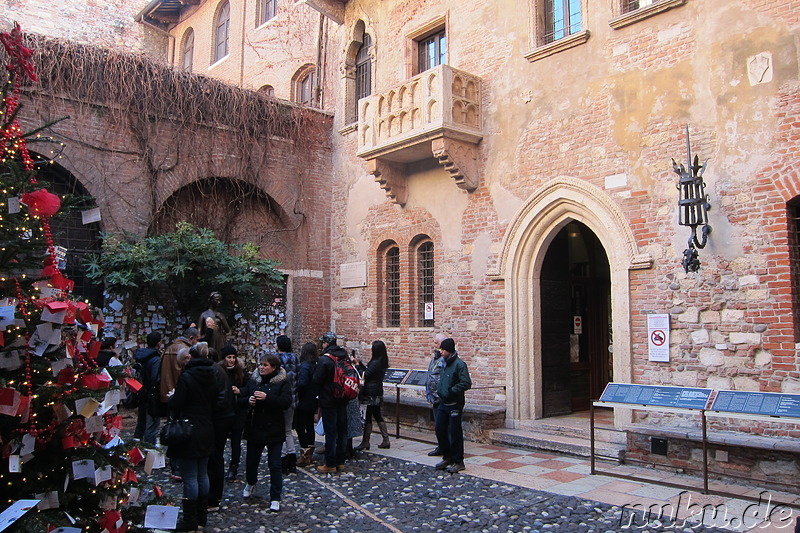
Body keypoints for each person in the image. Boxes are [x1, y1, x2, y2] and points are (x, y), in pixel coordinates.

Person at [167, 341, 218, 531]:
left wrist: (172, 397)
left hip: (190, 427)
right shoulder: (212, 374)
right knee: (202, 473)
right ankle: (201, 516)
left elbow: (178, 403)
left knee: (190, 476)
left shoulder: (187, 376)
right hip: (207, 425)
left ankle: (190, 518)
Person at [241, 352, 291, 513]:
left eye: (265, 365)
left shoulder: (282, 382)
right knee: (251, 462)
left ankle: (275, 497)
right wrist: (248, 400)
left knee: (275, 464)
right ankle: (251, 482)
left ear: (274, 367)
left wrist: (267, 398)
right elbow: (245, 394)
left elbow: (286, 402)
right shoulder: (254, 380)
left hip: (274, 428)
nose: (261, 367)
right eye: (260, 365)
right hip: (255, 427)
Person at [312, 332, 350, 474]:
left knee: (331, 432)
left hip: (328, 400)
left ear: (326, 343)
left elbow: (317, 379)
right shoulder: (344, 356)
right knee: (342, 431)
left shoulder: (324, 360)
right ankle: (341, 462)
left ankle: (330, 463)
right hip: (343, 398)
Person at [434, 338, 472, 474]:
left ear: (449, 350)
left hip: (454, 403)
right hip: (443, 402)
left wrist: (451, 391)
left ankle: (458, 461)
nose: (441, 352)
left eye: (443, 350)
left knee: (455, 432)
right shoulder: (444, 363)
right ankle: (447, 456)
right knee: (440, 429)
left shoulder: (459, 364)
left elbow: (466, 382)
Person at [206, 345, 235, 512]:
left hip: (219, 419)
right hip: (222, 418)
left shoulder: (215, 373)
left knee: (214, 457)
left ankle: (213, 496)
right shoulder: (220, 372)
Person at [219, 343, 248, 481]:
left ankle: (234, 466)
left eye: (233, 357)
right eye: (229, 357)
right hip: (223, 412)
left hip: (237, 411)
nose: (231, 360)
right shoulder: (219, 371)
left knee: (236, 442)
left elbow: (248, 389)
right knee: (220, 441)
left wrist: (240, 391)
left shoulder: (241, 372)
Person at [354, 340, 390, 451]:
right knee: (376, 414)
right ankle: (384, 440)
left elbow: (365, 375)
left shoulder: (376, 362)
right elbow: (368, 371)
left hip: (371, 392)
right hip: (377, 391)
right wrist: (359, 364)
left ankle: (366, 441)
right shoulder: (381, 361)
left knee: (370, 415)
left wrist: (357, 366)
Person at [133, 331, 163, 445]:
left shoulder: (141, 356)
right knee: (152, 424)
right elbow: (156, 378)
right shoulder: (156, 359)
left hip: (141, 392)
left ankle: (136, 450)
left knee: (141, 423)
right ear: (158, 343)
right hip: (151, 394)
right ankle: (149, 452)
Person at [276, 335, 299, 474]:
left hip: (280, 399)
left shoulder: (276, 358)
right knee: (288, 430)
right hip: (292, 398)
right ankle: (292, 460)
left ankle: (283, 460)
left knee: (280, 431)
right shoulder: (295, 358)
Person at [294, 342, 319, 467]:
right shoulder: (316, 365)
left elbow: (302, 383)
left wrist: (297, 390)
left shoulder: (305, 366)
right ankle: (309, 453)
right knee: (309, 426)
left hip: (304, 400)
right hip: (313, 400)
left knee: (300, 426)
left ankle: (304, 454)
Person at [161, 327, 199, 404]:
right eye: (197, 340)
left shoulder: (169, 348)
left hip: (166, 391)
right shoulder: (187, 351)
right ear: (191, 338)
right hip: (179, 392)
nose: (197, 343)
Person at [425, 333, 447, 456]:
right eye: (434, 343)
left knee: (444, 425)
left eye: (436, 343)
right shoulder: (435, 358)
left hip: (442, 397)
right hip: (434, 397)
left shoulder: (445, 359)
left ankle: (447, 448)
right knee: (438, 425)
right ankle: (441, 446)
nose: (434, 345)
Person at [198, 291, 231, 357]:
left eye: (220, 300)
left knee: (219, 355)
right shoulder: (204, 314)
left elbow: (227, 330)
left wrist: (222, 319)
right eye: (217, 300)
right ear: (211, 300)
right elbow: (199, 331)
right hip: (209, 338)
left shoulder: (220, 315)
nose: (219, 302)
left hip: (219, 339)